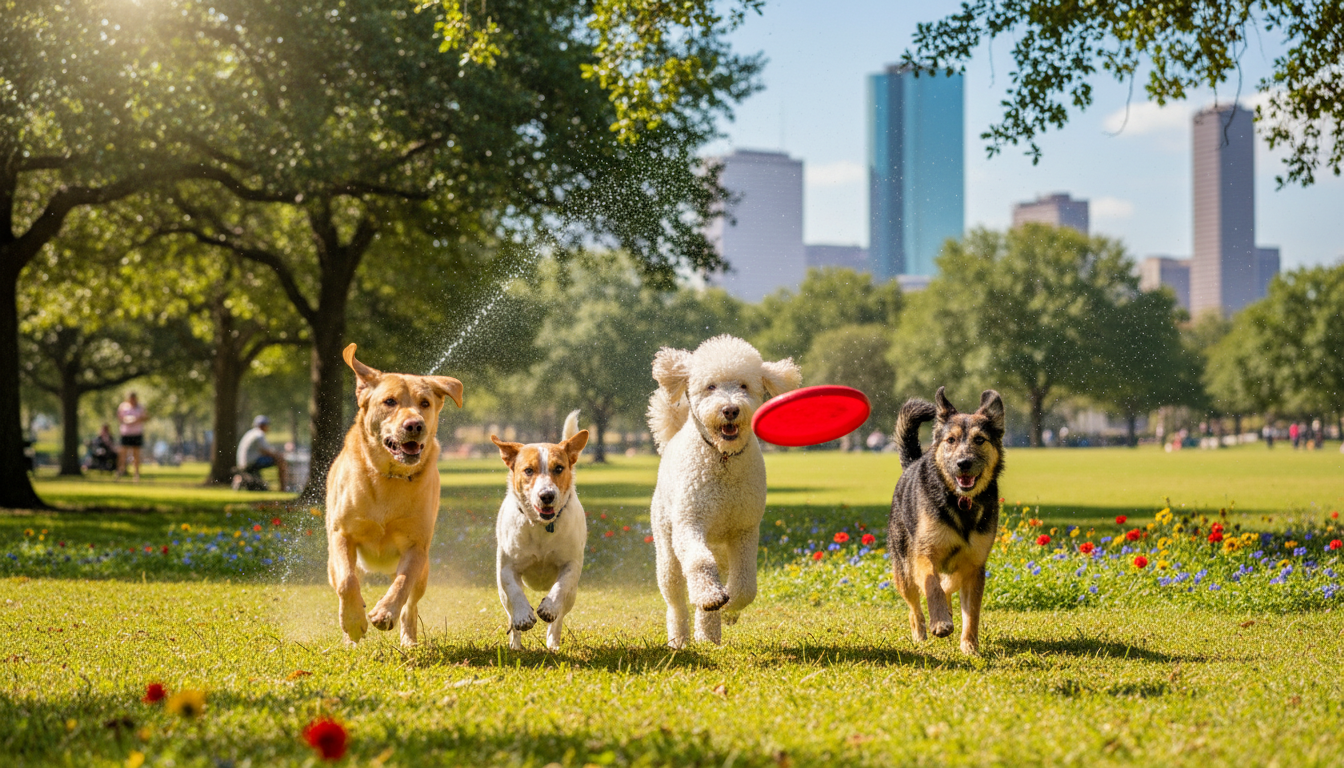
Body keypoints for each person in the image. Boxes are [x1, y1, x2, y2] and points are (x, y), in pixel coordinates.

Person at [237, 415, 288, 490]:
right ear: (263, 425)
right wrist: (279, 455)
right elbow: (267, 451)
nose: (268, 427)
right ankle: (283, 488)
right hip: (251, 463)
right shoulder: (259, 434)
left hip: (243, 463)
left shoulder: (250, 433)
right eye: (267, 425)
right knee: (280, 460)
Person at [116, 392, 147, 481]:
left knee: (136, 454)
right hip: (126, 433)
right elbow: (119, 417)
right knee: (122, 453)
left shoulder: (140, 407)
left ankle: (136, 473)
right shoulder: (123, 407)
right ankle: (120, 471)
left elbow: (146, 416)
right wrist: (126, 420)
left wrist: (138, 419)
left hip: (137, 433)